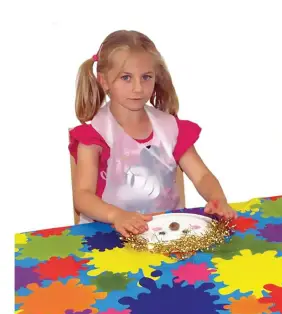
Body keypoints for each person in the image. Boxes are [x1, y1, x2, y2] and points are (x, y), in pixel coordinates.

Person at [69, 30, 236, 237]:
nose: (138, 88)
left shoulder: (170, 129)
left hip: (167, 234)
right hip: (108, 236)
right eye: (126, 78)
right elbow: (83, 196)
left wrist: (217, 198)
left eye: (146, 77)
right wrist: (116, 215)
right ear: (104, 81)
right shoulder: (95, 134)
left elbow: (201, 175)